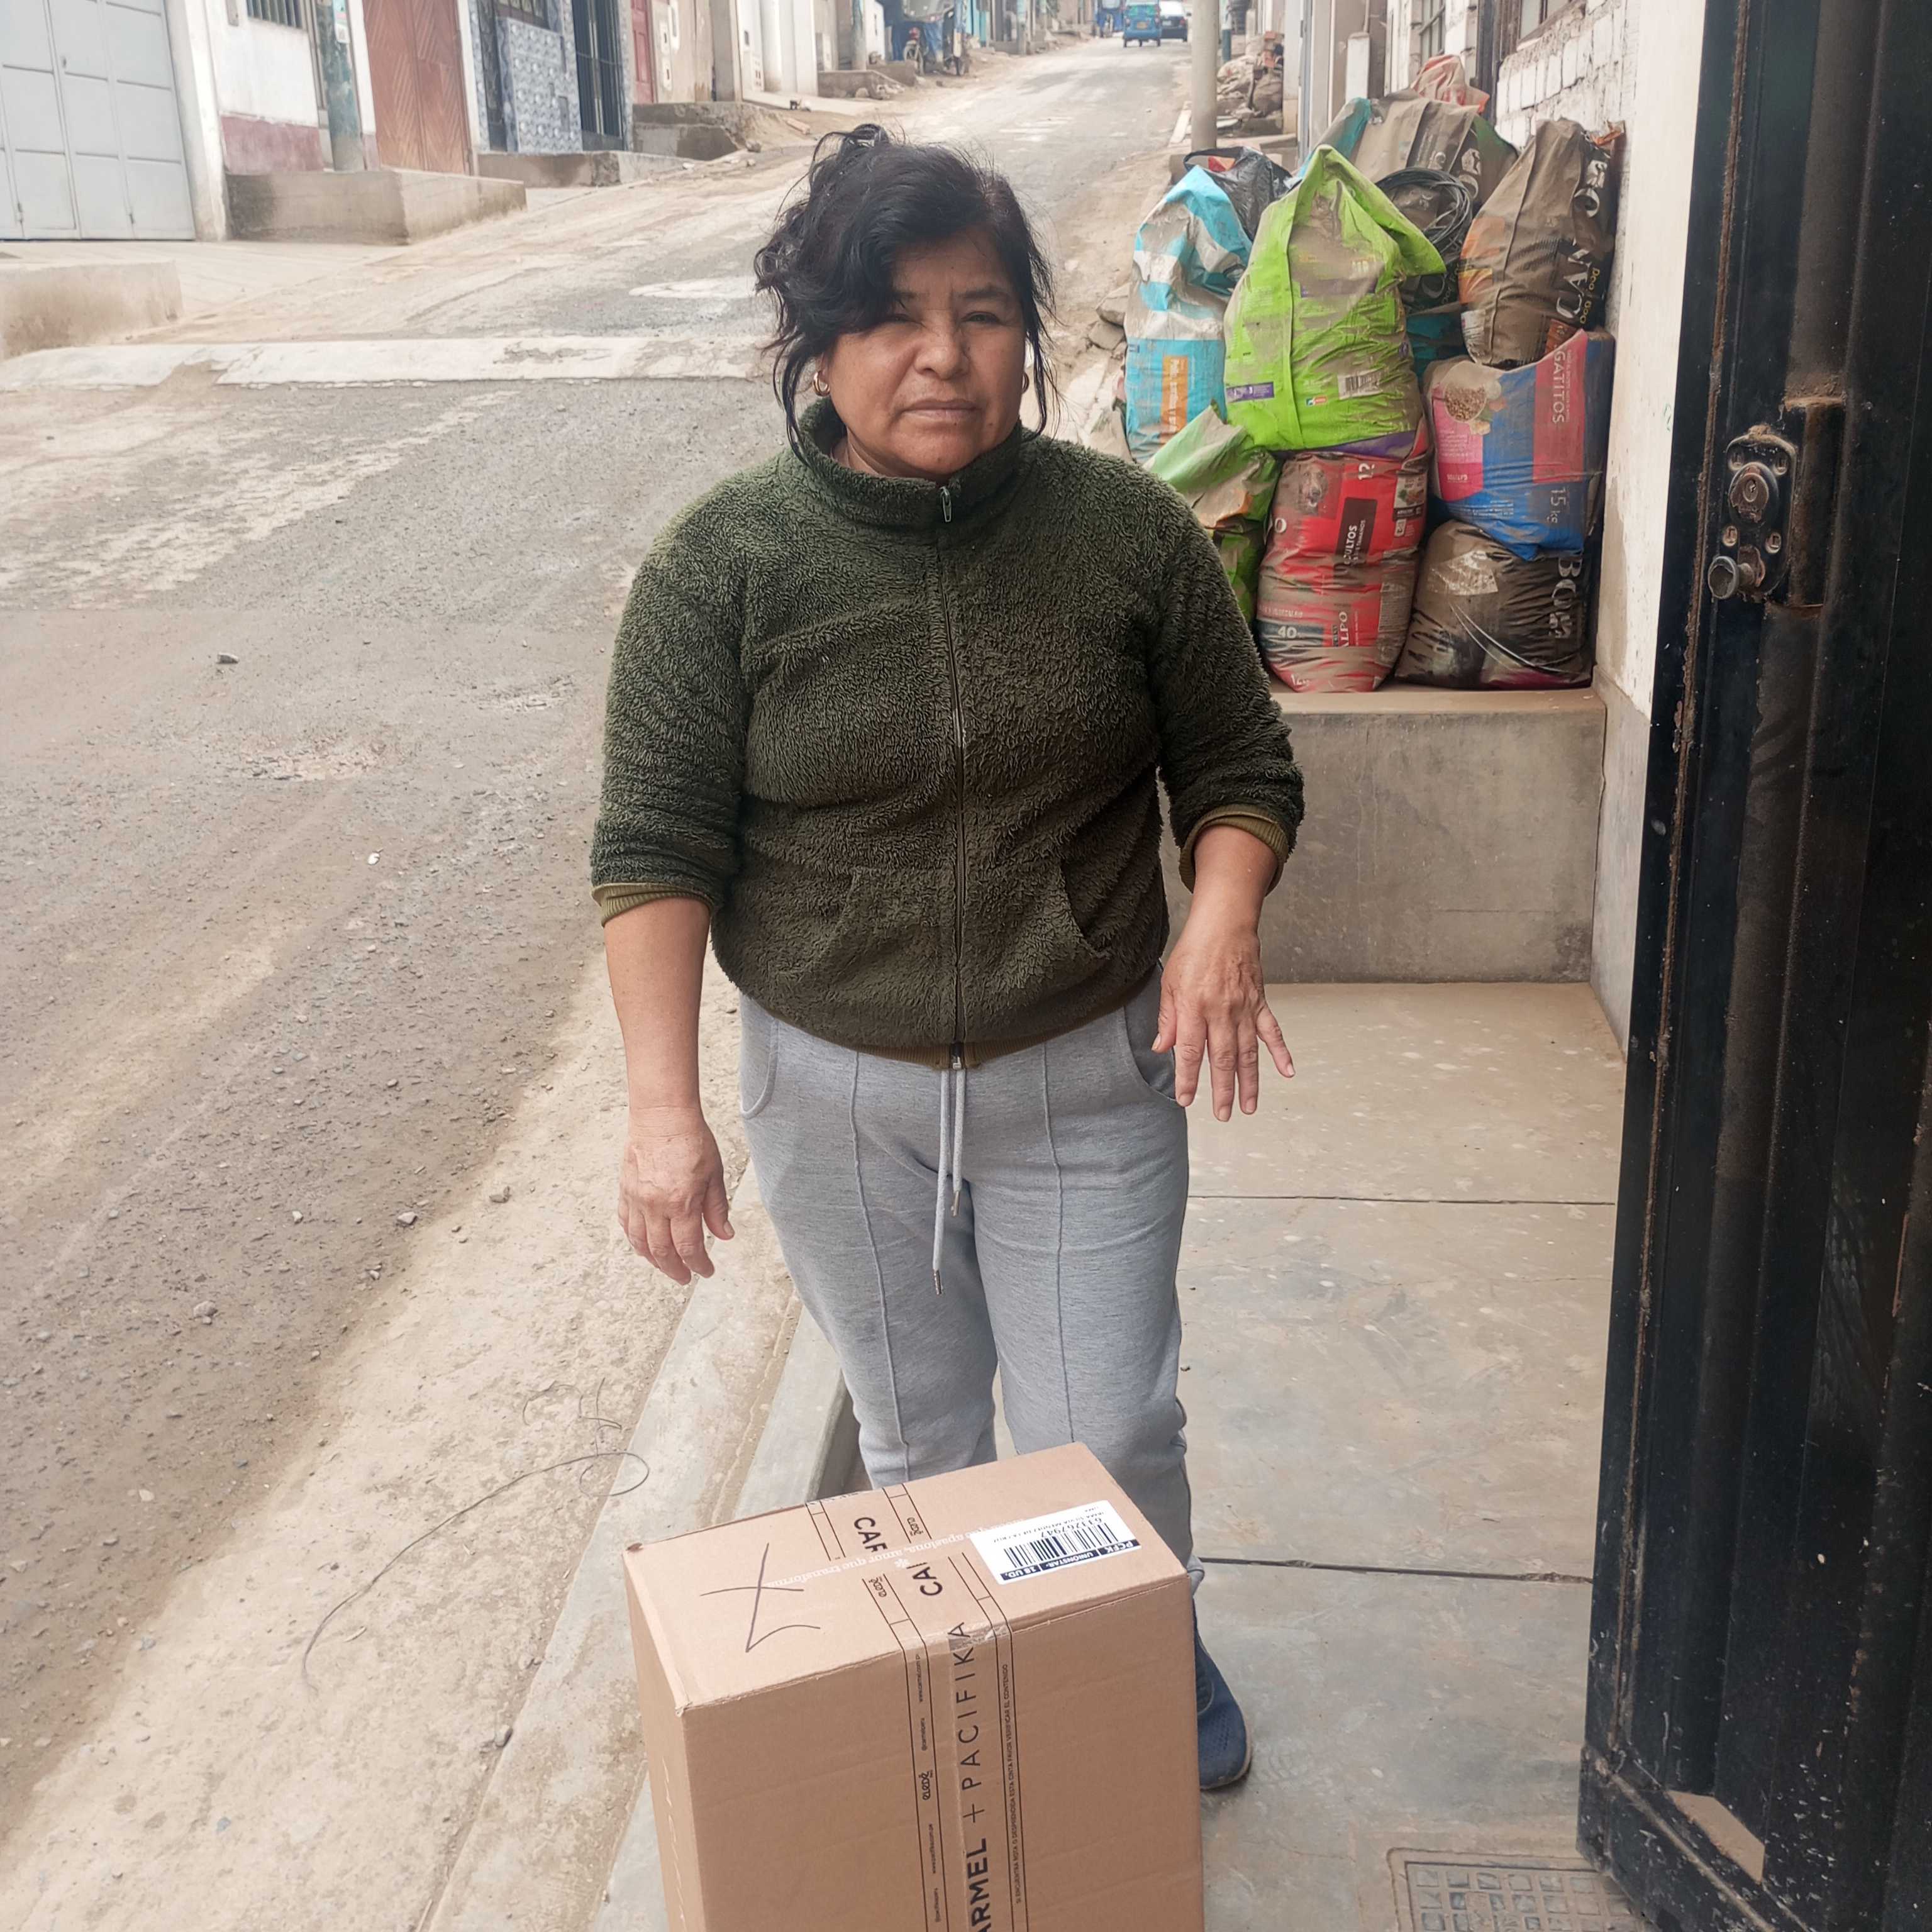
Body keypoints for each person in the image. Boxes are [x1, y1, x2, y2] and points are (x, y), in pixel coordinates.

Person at [592, 128, 1302, 1792]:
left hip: (1087, 1076)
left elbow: (1241, 766)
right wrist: (661, 1112)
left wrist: (1222, 913)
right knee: (918, 1441)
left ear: (1024, 333)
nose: (943, 356)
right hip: (839, 1100)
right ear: (818, 344)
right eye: (893, 317)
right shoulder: (721, 569)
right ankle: (976, 1698)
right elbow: (655, 849)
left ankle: (1137, 1648)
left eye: (982, 314)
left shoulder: (1125, 536)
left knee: (1107, 1432)